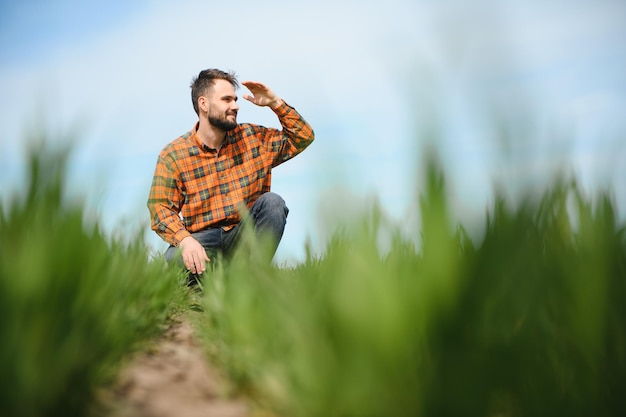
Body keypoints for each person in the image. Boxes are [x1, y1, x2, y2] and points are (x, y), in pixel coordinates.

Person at [147, 68, 314, 281]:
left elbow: (303, 137)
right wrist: (185, 240)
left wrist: (275, 103)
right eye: (227, 99)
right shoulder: (173, 154)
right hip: (201, 241)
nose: (235, 106)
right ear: (203, 104)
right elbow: (160, 208)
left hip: (243, 236)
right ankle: (211, 284)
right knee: (174, 259)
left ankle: (253, 280)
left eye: (235, 99)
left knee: (273, 203)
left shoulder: (253, 138)